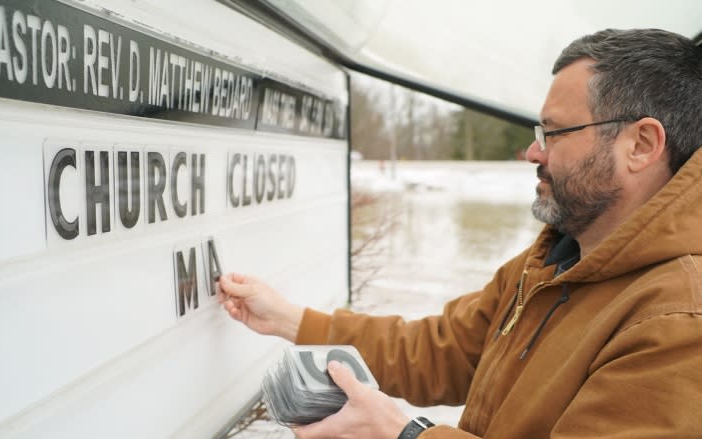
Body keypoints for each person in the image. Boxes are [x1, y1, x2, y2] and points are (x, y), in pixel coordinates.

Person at [218, 28, 702, 439]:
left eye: (552, 134)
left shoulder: (678, 321)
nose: (533, 154)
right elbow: (438, 351)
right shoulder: (553, 262)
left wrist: (404, 433)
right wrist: (288, 319)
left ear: (641, 145)